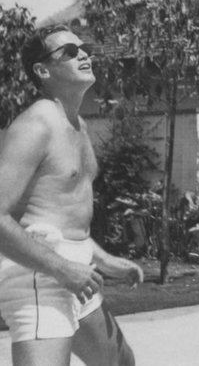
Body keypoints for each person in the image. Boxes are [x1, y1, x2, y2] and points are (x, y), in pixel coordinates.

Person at [0, 24, 143, 366]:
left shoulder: (78, 126)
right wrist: (63, 269)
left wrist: (104, 261)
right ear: (43, 70)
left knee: (119, 361)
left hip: (73, 269)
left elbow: (58, 211)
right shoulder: (36, 125)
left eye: (83, 48)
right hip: (38, 273)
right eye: (69, 51)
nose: (83, 54)